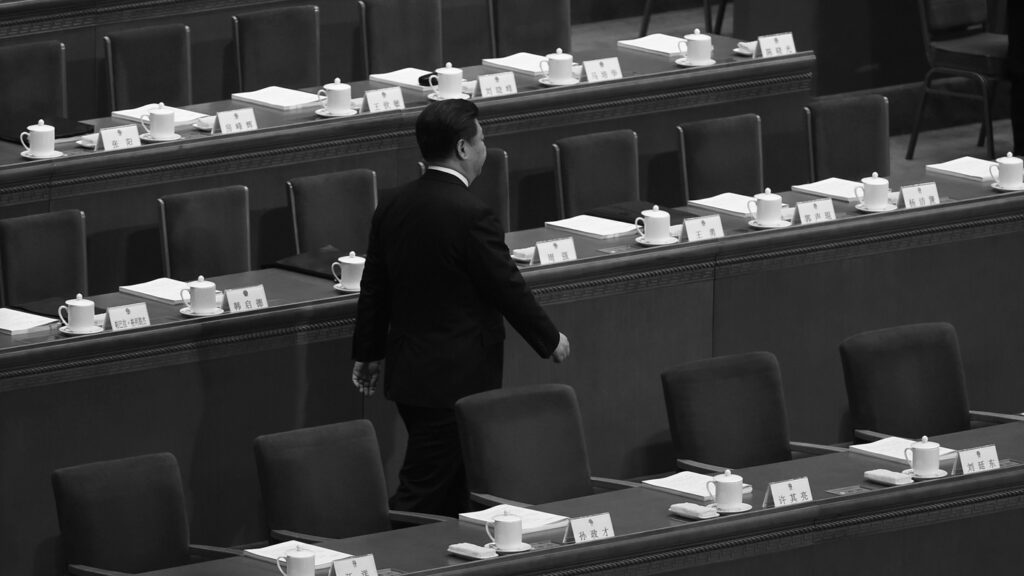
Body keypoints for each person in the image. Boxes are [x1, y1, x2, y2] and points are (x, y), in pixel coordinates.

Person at [351, 99, 571, 516]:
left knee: (455, 487)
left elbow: (374, 286)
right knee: (424, 491)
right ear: (463, 148)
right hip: (457, 379)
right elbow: (505, 286)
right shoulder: (471, 214)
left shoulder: (392, 205)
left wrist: (368, 352)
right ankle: (389, 549)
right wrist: (549, 339)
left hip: (411, 372)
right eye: (482, 140)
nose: (485, 147)